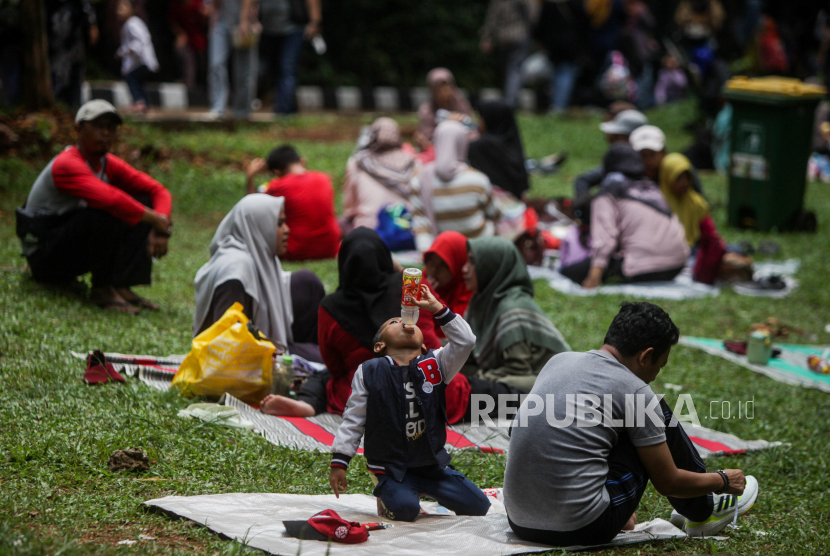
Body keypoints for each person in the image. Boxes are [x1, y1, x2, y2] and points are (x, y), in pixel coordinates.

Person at [504, 302, 759, 546]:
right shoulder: (635, 390)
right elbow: (667, 482)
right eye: (660, 366)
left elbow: (523, 431)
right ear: (646, 356)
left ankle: (689, 504)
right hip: (583, 526)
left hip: (519, 521)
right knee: (658, 411)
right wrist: (723, 480)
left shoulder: (558, 362)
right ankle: (705, 511)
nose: (656, 375)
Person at [328, 284, 491, 522]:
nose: (403, 322)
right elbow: (353, 419)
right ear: (379, 346)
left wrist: (437, 308)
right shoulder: (370, 370)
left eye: (408, 322)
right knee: (406, 511)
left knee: (479, 506)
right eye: (393, 322)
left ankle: (426, 488)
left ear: (424, 345)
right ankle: (389, 490)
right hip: (392, 468)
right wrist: (339, 462)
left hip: (431, 465)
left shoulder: (435, 363)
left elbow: (465, 341)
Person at [15, 100, 172, 313]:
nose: (105, 133)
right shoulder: (66, 163)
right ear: (78, 129)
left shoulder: (107, 162)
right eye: (98, 127)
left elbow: (158, 190)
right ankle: (102, 290)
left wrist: (160, 227)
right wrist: (156, 220)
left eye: (111, 128)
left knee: (141, 201)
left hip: (69, 244)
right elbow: (109, 199)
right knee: (105, 212)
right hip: (44, 255)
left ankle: (121, 284)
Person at [192, 194, 325, 362]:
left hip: (265, 345)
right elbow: (224, 341)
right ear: (258, 226)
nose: (287, 230)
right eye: (279, 224)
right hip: (244, 358)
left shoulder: (258, 252)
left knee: (307, 283)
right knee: (329, 364)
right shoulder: (235, 271)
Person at [560, 144, 690, 288]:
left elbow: (606, 238)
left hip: (643, 268)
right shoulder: (651, 187)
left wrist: (594, 277)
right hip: (677, 266)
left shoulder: (607, 194)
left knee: (569, 272)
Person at [464, 237, 571, 393]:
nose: (465, 269)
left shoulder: (511, 308)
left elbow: (518, 371)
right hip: (514, 374)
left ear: (492, 266)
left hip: (551, 380)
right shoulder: (482, 301)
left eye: (473, 263)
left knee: (478, 386)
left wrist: (479, 379)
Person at [411, 120, 500, 253]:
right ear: (462, 144)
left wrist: (425, 252)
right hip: (479, 247)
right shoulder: (478, 180)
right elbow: (495, 214)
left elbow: (420, 221)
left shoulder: (420, 179)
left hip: (443, 250)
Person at [245, 145, 340, 260]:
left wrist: (250, 176)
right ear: (302, 161)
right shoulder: (324, 179)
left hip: (296, 251)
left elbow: (252, 208)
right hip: (330, 249)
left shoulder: (279, 186)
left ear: (276, 172)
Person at [341, 118, 419, 232]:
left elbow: (350, 209)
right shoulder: (414, 162)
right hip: (408, 228)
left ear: (372, 136)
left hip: (370, 231)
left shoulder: (358, 163)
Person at [659, 153, 726, 285]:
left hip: (693, 249)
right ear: (667, 177)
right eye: (678, 178)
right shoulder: (658, 201)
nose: (684, 183)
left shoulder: (695, 202)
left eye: (687, 177)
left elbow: (710, 233)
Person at [258, 0, 321, 114]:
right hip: (267, 30)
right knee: (273, 69)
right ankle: (287, 106)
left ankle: (283, 112)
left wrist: (314, 22)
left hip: (293, 29)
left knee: (287, 67)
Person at [573, 109, 647, 198]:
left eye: (616, 136)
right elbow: (582, 180)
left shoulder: (648, 164)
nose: (610, 138)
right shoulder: (618, 163)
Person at [479, 0, 538, 108]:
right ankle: (510, 102)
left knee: (507, 69)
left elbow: (492, 18)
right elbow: (533, 15)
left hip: (502, 37)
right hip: (520, 35)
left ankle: (509, 99)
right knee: (514, 69)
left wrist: (487, 37)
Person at [534, 0, 590, 112]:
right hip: (570, 47)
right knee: (565, 75)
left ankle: (556, 104)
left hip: (553, 47)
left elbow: (540, 27)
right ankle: (559, 105)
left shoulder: (548, 5)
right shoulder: (575, 4)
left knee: (556, 75)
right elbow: (584, 26)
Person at [467, 101, 530, 200]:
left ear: (491, 119)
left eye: (481, 118)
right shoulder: (512, 139)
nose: (478, 122)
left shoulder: (480, 146)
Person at [207, 0, 259, 118]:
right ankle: (217, 108)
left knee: (243, 70)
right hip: (221, 19)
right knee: (216, 64)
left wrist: (244, 21)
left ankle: (242, 112)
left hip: (243, 18)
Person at [45, 0, 99, 108]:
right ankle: (59, 105)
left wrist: (91, 25)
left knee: (74, 76)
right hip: (56, 39)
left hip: (72, 40)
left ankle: (72, 108)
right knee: (59, 75)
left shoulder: (77, 7)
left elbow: (86, 7)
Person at [414, 68, 474, 152]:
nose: (444, 92)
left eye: (446, 88)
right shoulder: (427, 110)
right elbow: (425, 137)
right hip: (437, 151)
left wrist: (458, 125)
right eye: (439, 89)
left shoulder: (461, 105)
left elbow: (472, 129)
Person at [116, 0, 159, 114]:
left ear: (132, 10)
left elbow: (139, 42)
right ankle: (146, 104)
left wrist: (123, 51)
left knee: (131, 78)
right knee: (139, 82)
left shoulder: (131, 23)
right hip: (143, 61)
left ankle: (139, 102)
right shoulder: (133, 23)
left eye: (123, 8)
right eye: (118, 8)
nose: (119, 11)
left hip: (141, 61)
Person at [423, 231, 473, 319]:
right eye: (431, 261)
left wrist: (433, 303)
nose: (434, 269)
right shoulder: (423, 279)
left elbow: (454, 329)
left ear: (458, 267)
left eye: (443, 265)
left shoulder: (468, 292)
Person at [168, 0, 209, 90]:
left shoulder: (197, 4)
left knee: (203, 62)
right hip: (187, 39)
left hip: (200, 39)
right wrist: (180, 34)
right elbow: (173, 22)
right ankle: (188, 86)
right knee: (182, 53)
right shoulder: (175, 5)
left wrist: (204, 15)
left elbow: (206, 21)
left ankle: (203, 86)